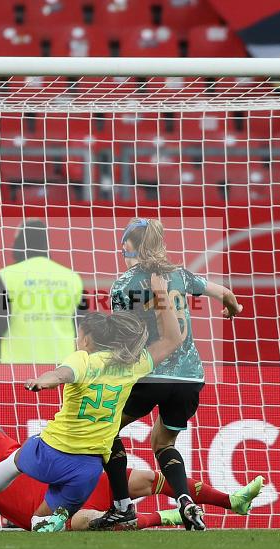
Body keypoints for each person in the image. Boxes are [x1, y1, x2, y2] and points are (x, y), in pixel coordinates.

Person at [0, 385, 264, 531]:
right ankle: (168, 520)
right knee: (98, 523)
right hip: (41, 513)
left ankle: (232, 501)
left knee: (147, 481)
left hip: (68, 476)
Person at [0, 273, 188, 532]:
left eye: (79, 336)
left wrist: (44, 381)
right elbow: (173, 340)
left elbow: (62, 374)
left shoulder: (83, 358)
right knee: (38, 523)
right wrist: (162, 295)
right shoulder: (132, 364)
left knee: (12, 463)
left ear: (86, 340)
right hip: (88, 469)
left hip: (51, 452)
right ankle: (62, 517)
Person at [89, 218, 245, 531]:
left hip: (150, 373)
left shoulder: (124, 285)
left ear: (128, 246)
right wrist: (233, 308)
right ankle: (186, 500)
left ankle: (121, 507)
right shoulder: (179, 274)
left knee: (104, 432)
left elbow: (124, 332)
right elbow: (224, 292)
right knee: (163, 443)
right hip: (188, 379)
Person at [0, 219, 85, 364]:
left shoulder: (6, 276)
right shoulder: (71, 278)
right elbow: (83, 324)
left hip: (16, 367)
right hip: (62, 367)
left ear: (21, 241)